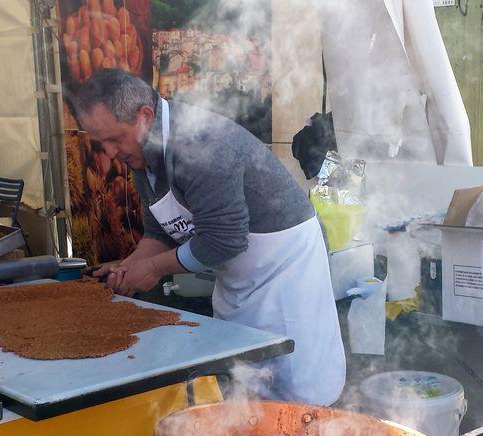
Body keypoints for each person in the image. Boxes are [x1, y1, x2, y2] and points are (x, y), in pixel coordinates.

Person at [74, 69, 346, 406]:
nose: (110, 153)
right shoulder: (144, 154)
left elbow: (224, 240)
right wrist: (128, 268)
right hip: (238, 275)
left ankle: (313, 435)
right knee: (244, 380)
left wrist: (155, 269)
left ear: (145, 116)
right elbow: (161, 230)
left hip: (284, 270)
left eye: (115, 139)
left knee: (297, 384)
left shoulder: (198, 144)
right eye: (101, 142)